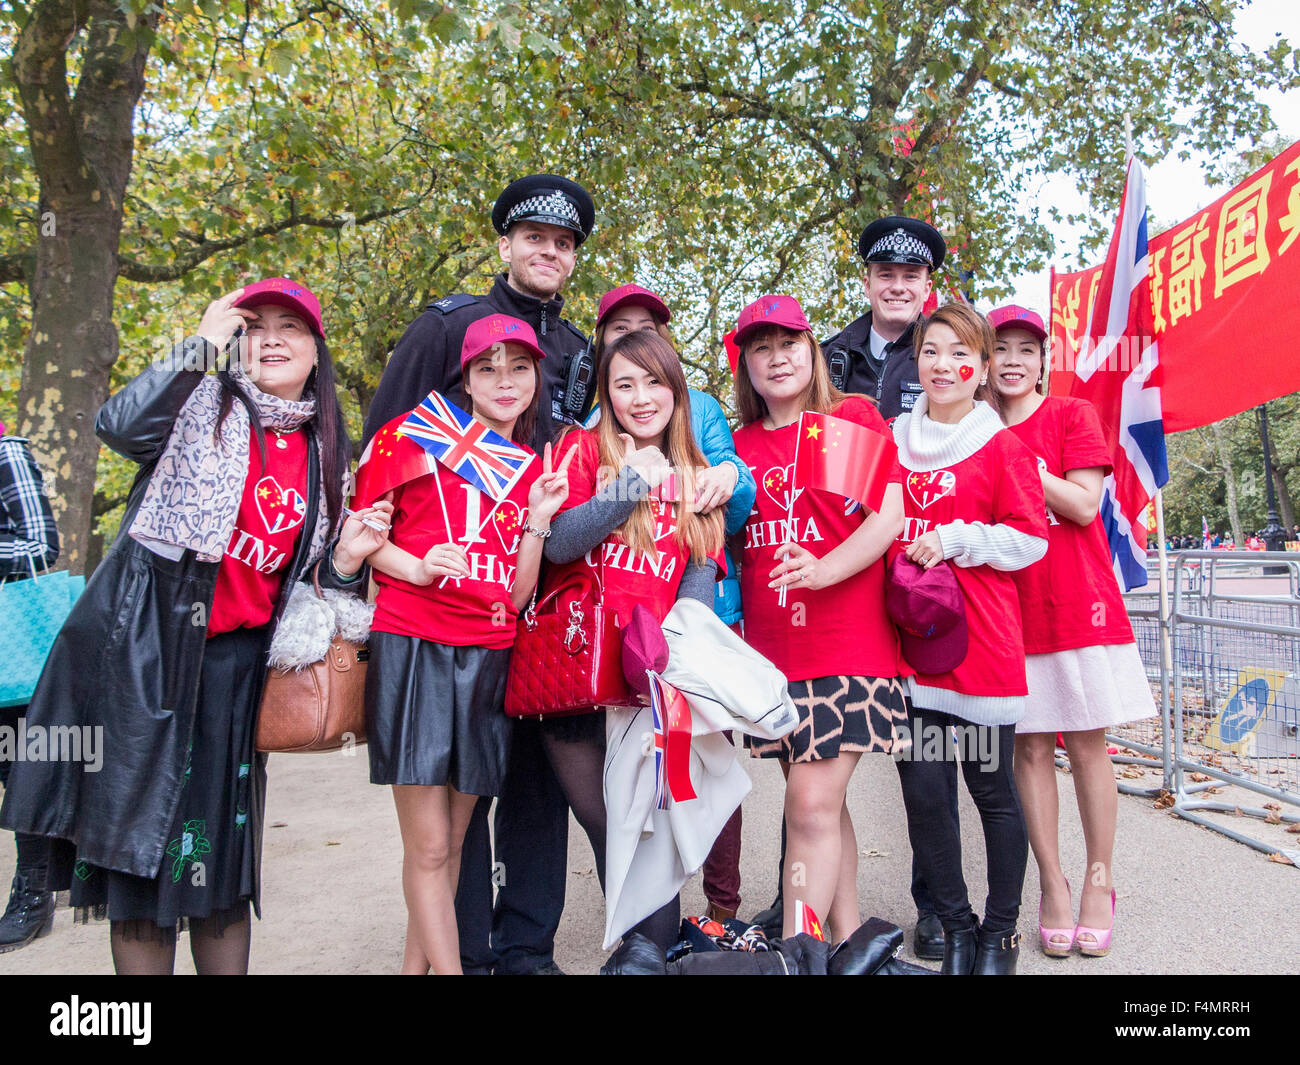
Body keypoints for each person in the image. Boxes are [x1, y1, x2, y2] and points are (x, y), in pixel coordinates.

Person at [0, 278, 389, 973]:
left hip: (237, 674)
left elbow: (307, 582)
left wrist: (347, 560)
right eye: (254, 325)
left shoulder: (323, 448)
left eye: (291, 328)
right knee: (143, 870)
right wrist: (201, 345)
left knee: (218, 866)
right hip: (149, 665)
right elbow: (118, 425)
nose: (271, 338)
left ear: (315, 352)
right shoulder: (196, 404)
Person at [363, 174, 595, 975]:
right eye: (534, 237)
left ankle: (526, 945)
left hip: (530, 596)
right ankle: (463, 950)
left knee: (527, 784)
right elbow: (382, 455)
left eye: (563, 243)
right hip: (434, 609)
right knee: (448, 811)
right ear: (504, 244)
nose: (548, 251)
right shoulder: (448, 326)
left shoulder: (576, 352)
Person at [542, 328, 726, 955]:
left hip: (644, 684)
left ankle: (647, 956)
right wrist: (629, 486)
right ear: (606, 393)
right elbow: (559, 544)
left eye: (654, 382)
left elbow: (696, 597)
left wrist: (675, 671)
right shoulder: (583, 450)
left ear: (677, 390)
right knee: (608, 827)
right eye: (624, 384)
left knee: (645, 832)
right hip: (572, 671)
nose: (641, 397)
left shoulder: (701, 479)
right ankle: (646, 952)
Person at [730, 294, 907, 943]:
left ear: (812, 350)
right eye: (761, 348)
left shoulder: (844, 418)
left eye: (788, 344)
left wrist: (825, 568)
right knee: (820, 810)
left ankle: (798, 951)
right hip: (772, 660)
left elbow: (890, 518)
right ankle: (851, 939)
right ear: (746, 363)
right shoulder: (737, 444)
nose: (777, 358)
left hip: (847, 649)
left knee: (807, 805)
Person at [987, 304, 1157, 959]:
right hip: (1008, 610)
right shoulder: (970, 428)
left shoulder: (1069, 416)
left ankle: (1098, 878)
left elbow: (1085, 503)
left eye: (1026, 349)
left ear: (1042, 359)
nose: (1012, 360)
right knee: (1028, 750)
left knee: (1088, 745)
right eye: (1001, 348)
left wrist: (1016, 462)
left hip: (1076, 600)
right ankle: (1052, 882)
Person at [890, 302, 1048, 975]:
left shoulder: (1000, 444)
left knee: (991, 792)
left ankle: (999, 932)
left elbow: (1031, 536)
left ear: (981, 367)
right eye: (930, 350)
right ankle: (955, 928)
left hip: (977, 653)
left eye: (959, 352)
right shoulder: (893, 440)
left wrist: (957, 540)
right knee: (926, 794)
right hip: (910, 652)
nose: (942, 364)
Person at [591, 283, 757, 921]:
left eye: (648, 327)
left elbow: (732, 500)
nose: (633, 334)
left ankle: (722, 913)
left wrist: (728, 477)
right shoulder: (592, 423)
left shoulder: (698, 408)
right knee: (639, 776)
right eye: (619, 326)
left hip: (698, 608)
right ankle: (652, 919)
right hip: (621, 628)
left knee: (706, 761)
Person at [816, 213, 952, 960]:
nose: (898, 286)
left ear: (926, 285)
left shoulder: (947, 353)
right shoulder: (827, 358)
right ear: (867, 280)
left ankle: (937, 900)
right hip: (839, 578)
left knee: (925, 756)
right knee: (816, 750)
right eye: (885, 274)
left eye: (912, 276)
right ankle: (802, 884)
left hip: (919, 574)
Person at [0, 421, 61, 953]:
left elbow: (42, 546)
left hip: (9, 645)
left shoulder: (6, 452)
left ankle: (33, 896)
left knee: (19, 772)